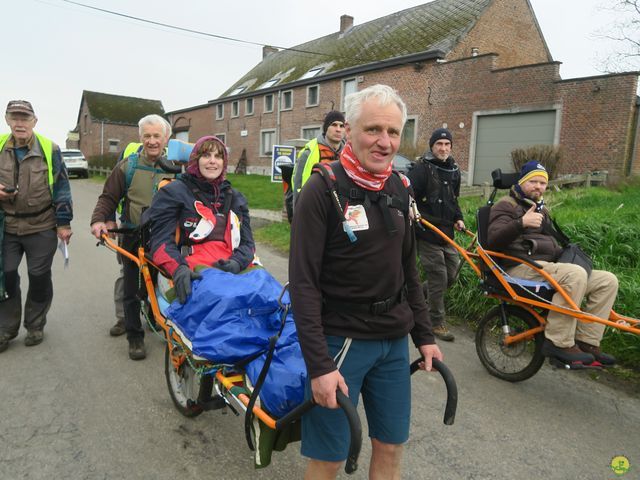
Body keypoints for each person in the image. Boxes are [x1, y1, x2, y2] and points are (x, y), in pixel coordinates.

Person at [289, 84, 443, 479]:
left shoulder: (400, 187)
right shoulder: (322, 190)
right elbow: (303, 284)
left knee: (390, 445)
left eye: (393, 132)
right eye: (374, 129)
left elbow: (408, 270)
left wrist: (424, 336)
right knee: (330, 456)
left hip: (392, 341)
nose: (384, 141)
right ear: (349, 131)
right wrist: (319, 366)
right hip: (341, 341)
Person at [487, 160, 617, 366]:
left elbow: (550, 245)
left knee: (607, 280)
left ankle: (587, 341)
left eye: (542, 183)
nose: (538, 187)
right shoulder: (506, 205)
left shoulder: (540, 209)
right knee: (575, 274)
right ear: (522, 182)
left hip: (546, 267)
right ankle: (558, 342)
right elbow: (493, 239)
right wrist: (521, 224)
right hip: (519, 268)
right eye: (533, 182)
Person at [90, 115, 171, 360]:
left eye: (157, 135)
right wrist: (98, 220)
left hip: (165, 238)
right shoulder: (128, 166)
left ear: (166, 138)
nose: (152, 141)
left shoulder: (178, 167)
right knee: (132, 288)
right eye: (147, 136)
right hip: (133, 236)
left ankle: (156, 318)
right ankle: (135, 336)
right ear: (140, 138)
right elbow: (108, 197)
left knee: (161, 286)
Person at [0, 100, 73, 352]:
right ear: (7, 119)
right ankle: (6, 328)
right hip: (6, 226)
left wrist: (63, 223)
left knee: (38, 276)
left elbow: (62, 187)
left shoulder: (49, 148)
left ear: (34, 121)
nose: (20, 123)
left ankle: (35, 324)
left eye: (25, 118)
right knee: (6, 275)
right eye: (15, 117)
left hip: (42, 224)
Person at [145, 135, 255, 304]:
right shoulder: (172, 193)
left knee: (269, 299)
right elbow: (160, 241)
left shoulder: (236, 198)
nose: (213, 161)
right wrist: (178, 268)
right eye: (206, 155)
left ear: (224, 163)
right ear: (195, 160)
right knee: (219, 307)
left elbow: (248, 244)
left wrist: (237, 262)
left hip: (232, 268)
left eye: (218, 156)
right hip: (189, 268)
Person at [407, 128, 465, 342]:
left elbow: (454, 200)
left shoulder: (454, 170)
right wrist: (414, 215)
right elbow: (407, 194)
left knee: (452, 273)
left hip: (447, 232)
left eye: (447, 145)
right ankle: (435, 322)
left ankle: (416, 297)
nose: (443, 148)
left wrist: (459, 218)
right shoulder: (422, 169)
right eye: (439, 144)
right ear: (432, 146)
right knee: (438, 275)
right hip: (427, 232)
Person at [291, 110, 346, 207]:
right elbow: (297, 186)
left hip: (342, 208)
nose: (338, 129)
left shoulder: (349, 153)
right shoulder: (309, 153)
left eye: (342, 126)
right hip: (316, 205)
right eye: (334, 125)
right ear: (325, 128)